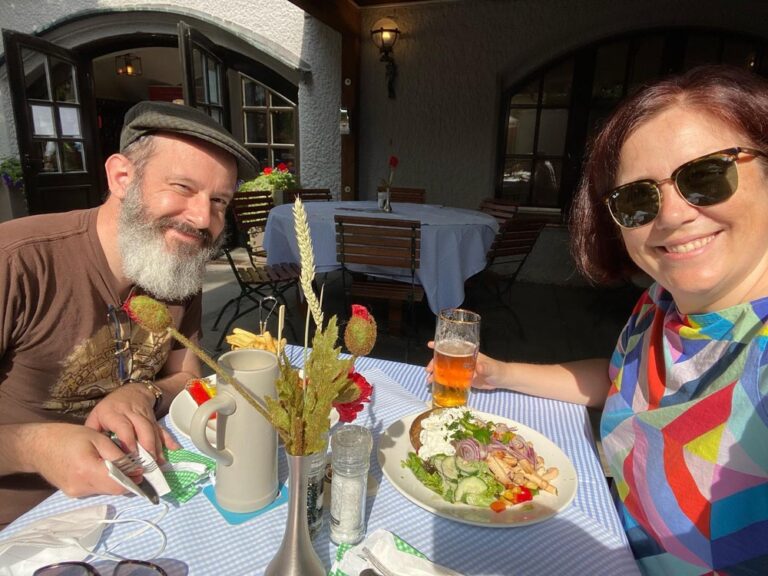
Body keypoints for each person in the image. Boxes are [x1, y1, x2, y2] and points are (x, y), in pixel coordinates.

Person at [428, 65, 768, 573]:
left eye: (705, 177)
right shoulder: (661, 303)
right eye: (638, 198)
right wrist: (499, 373)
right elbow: (615, 378)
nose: (672, 215)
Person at [0, 101, 259, 528]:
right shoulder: (19, 261)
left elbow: (189, 376)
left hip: (136, 506)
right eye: (181, 187)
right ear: (122, 177)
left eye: (218, 201)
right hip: (23, 526)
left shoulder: (177, 265)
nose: (201, 218)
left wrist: (143, 392)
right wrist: (36, 448)